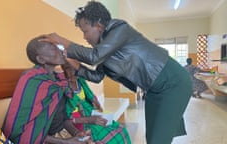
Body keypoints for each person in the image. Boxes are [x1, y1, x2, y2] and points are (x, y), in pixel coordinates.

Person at [40, 1, 192, 144]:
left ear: (99, 25)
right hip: (154, 89)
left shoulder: (120, 29)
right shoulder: (105, 49)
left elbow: (94, 56)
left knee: (159, 140)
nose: (84, 37)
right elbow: (97, 76)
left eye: (85, 31)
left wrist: (62, 41)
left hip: (173, 83)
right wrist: (73, 63)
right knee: (152, 136)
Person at [2, 36, 93, 144]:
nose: (60, 51)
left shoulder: (59, 81)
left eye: (57, 46)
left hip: (60, 135)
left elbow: (63, 118)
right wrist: (66, 142)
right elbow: (27, 129)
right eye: (53, 49)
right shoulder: (32, 80)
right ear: (41, 59)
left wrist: (76, 133)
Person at [61, 63, 131, 144]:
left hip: (90, 114)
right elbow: (66, 118)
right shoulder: (65, 88)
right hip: (79, 121)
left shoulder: (80, 81)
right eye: (68, 69)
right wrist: (88, 119)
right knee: (109, 140)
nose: (73, 72)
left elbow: (91, 96)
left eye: (75, 67)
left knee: (121, 130)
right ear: (64, 70)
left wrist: (97, 104)